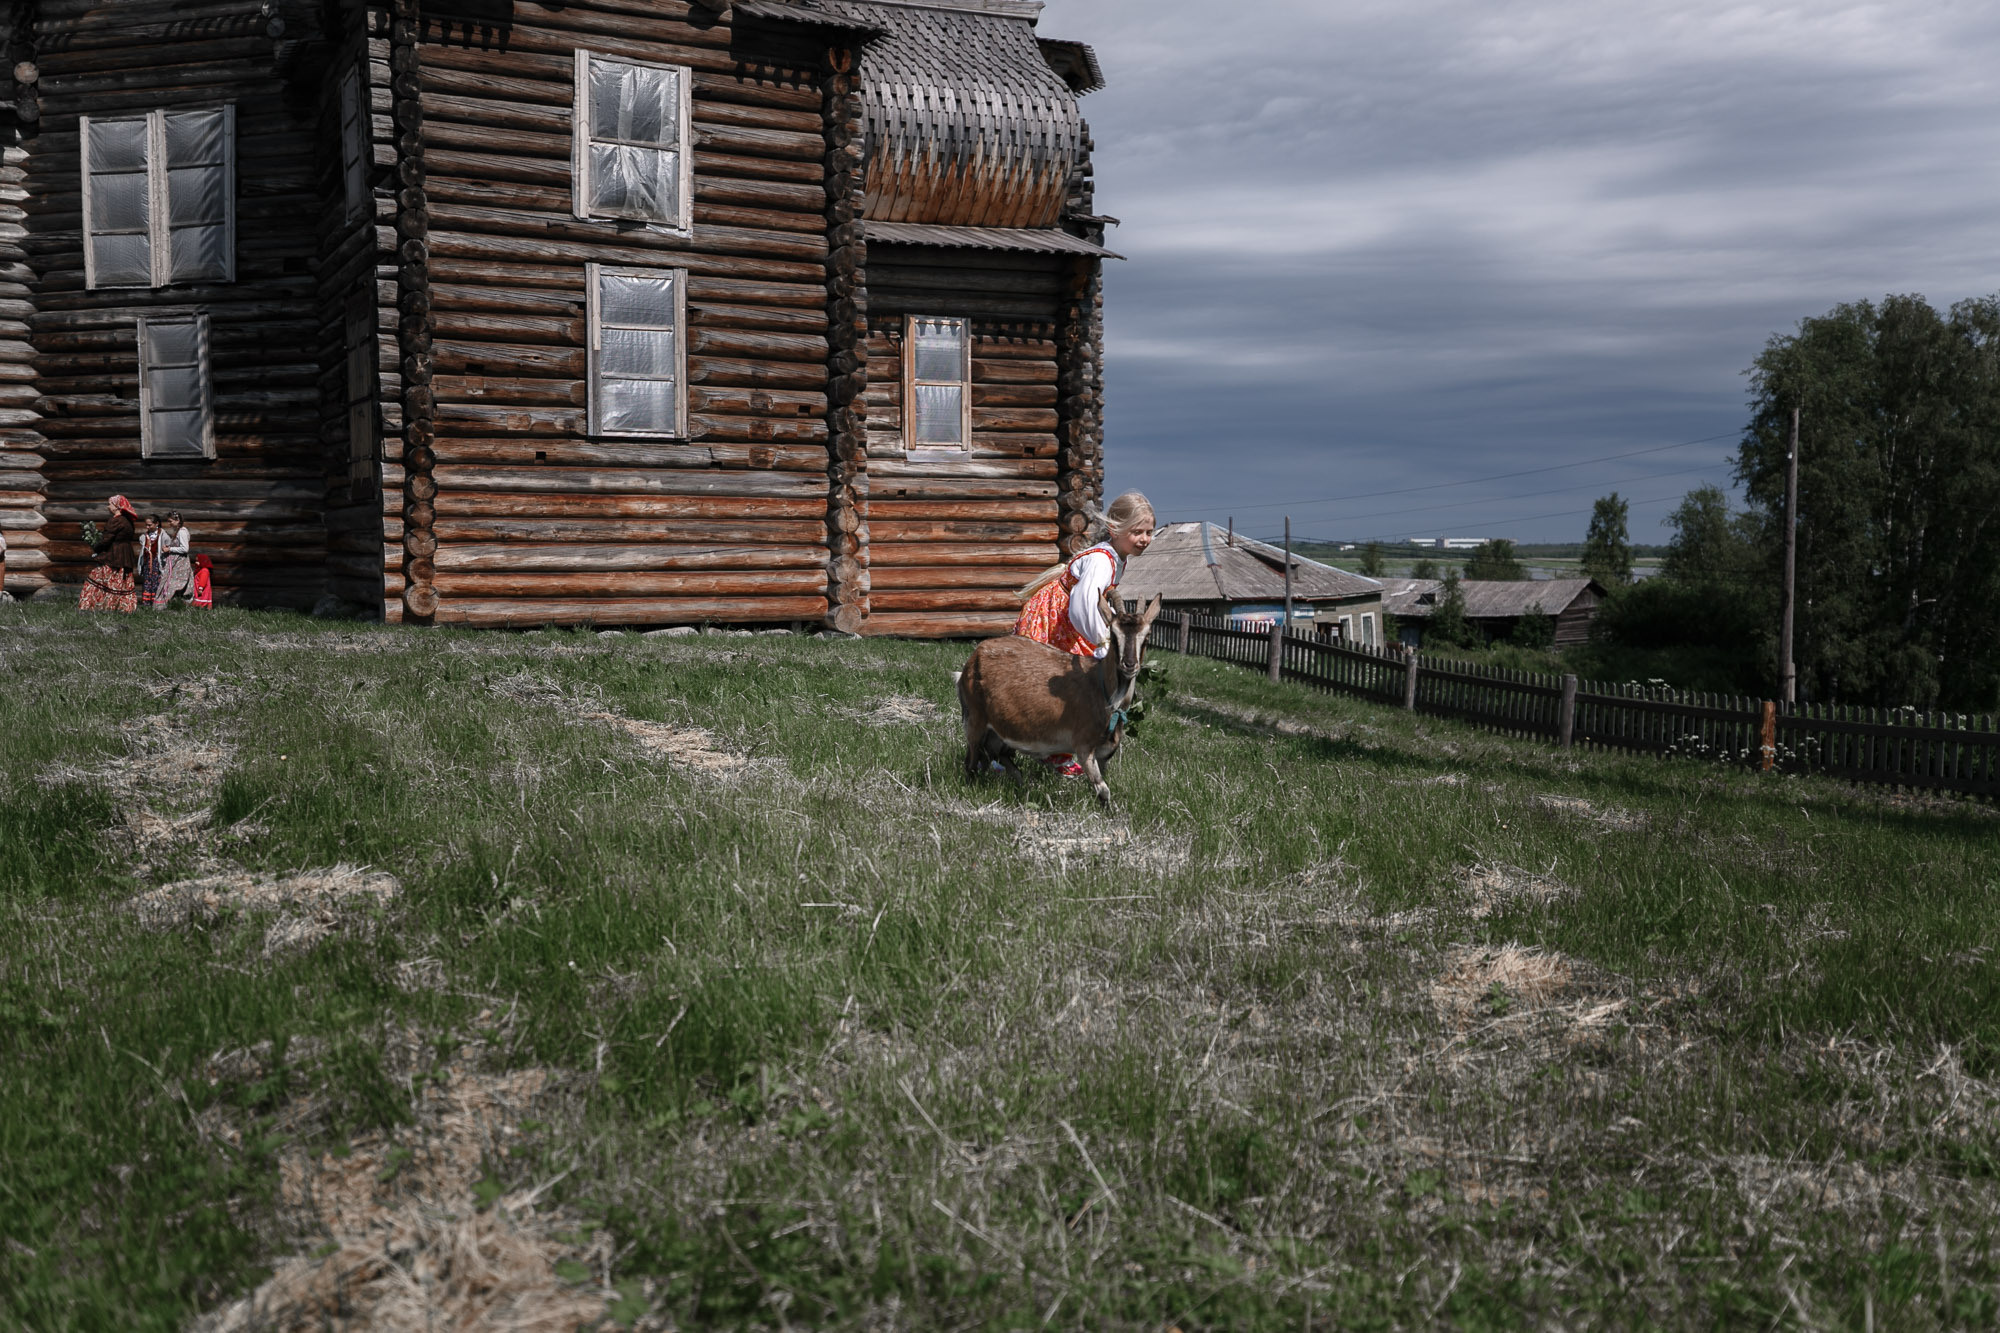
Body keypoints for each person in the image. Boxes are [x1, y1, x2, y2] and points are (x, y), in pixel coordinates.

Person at [1011, 490, 1157, 774]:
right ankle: (1038, 748)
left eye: (1149, 532)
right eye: (1137, 531)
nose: (1144, 539)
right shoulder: (1102, 561)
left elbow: (1097, 602)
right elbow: (1083, 604)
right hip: (1058, 620)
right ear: (1114, 529)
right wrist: (1102, 642)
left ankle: (1055, 751)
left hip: (1070, 620)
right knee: (1059, 685)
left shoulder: (1116, 557)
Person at [80, 494, 140, 612]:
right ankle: (123, 607)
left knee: (100, 577)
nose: (108, 507)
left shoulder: (116, 520)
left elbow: (106, 539)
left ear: (117, 506)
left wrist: (96, 547)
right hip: (125, 553)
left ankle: (98, 605)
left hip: (114, 554)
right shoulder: (128, 521)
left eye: (110, 504)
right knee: (122, 580)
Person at [155, 510, 193, 610]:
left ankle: (171, 604)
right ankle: (171, 604)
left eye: (170, 521)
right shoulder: (178, 531)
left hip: (180, 562)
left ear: (177, 520)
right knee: (170, 581)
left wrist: (170, 549)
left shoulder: (182, 532)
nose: (169, 523)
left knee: (174, 583)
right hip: (176, 561)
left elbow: (185, 548)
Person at [136, 513, 165, 608]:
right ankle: (147, 603)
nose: (147, 527)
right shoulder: (145, 536)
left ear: (156, 524)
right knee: (147, 580)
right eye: (146, 525)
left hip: (157, 562)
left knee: (157, 581)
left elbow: (166, 545)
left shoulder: (162, 535)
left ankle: (156, 602)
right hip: (148, 562)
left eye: (149, 525)